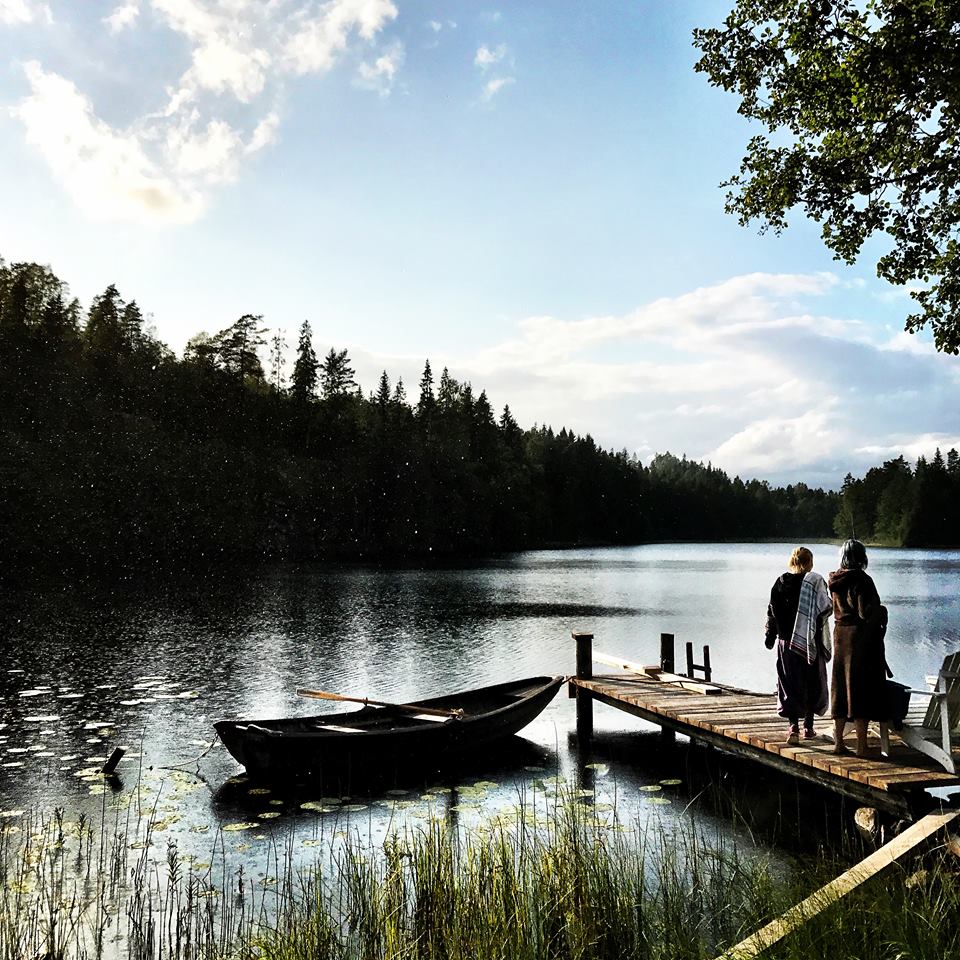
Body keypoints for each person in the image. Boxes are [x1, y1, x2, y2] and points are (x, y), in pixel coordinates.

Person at [764, 546, 832, 746]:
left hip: (786, 643)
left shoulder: (780, 582)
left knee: (789, 683)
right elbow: (825, 607)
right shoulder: (815, 581)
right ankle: (808, 727)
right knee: (812, 682)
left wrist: (770, 636)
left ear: (792, 562)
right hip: (810, 641)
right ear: (809, 562)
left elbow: (771, 611)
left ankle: (793, 726)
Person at [829, 539, 886, 757]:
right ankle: (862, 746)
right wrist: (882, 611)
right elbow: (865, 612)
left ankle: (838, 743)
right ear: (861, 557)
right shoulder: (862, 580)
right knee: (861, 689)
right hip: (859, 640)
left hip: (839, 636)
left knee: (840, 689)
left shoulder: (835, 579)